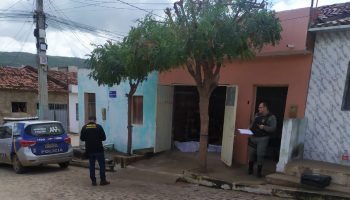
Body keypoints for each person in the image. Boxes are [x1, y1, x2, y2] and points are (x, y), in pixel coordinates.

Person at [248, 101, 277, 178]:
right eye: (259, 107)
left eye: (260, 107)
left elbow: (273, 128)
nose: (258, 108)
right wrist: (249, 129)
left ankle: (258, 172)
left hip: (263, 138)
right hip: (253, 137)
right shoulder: (257, 115)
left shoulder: (271, 117)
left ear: (265, 108)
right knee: (251, 154)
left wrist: (264, 127)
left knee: (260, 155)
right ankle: (250, 170)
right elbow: (252, 124)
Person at [80, 116, 110, 186]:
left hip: (89, 150)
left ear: (89, 120)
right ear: (95, 120)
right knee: (102, 165)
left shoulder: (84, 127)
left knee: (92, 166)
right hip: (99, 150)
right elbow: (104, 138)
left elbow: (82, 138)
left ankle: (93, 181)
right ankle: (103, 180)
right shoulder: (99, 127)